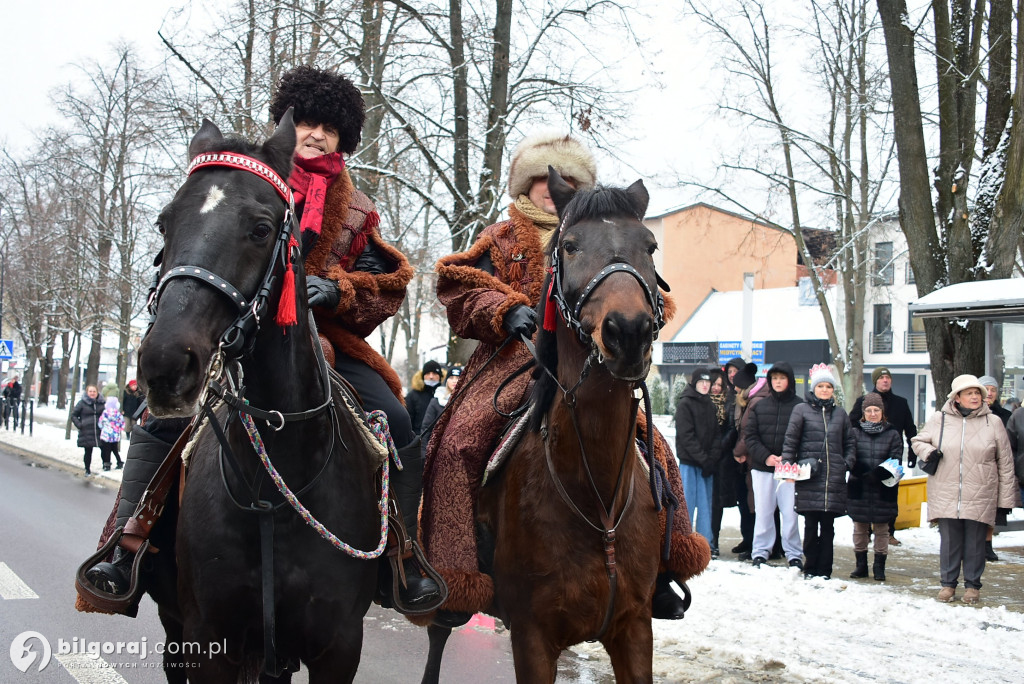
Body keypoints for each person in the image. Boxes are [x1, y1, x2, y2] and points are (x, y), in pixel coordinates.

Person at [83, 65, 439, 611]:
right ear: (285, 126)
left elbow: (386, 287)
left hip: (327, 345)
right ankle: (127, 542)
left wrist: (337, 290)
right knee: (162, 419)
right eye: (307, 122)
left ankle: (403, 558)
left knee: (393, 419)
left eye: (329, 128)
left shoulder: (361, 211)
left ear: (343, 137)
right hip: (238, 336)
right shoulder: (237, 181)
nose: (316, 134)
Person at [420, 131, 708, 625]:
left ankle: (662, 565)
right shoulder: (501, 237)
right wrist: (504, 310)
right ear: (527, 185)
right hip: (513, 358)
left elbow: (646, 292)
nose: (554, 189)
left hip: (590, 363)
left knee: (654, 445)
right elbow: (458, 285)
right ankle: (453, 573)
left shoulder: (608, 234)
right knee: (458, 443)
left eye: (569, 180)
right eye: (544, 180)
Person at [911, 374, 1017, 604]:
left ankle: (972, 586)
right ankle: (948, 585)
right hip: (946, 490)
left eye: (978, 393)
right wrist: (929, 452)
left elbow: (1006, 462)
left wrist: (1006, 500)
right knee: (949, 541)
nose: (975, 397)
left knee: (976, 542)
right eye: (969, 393)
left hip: (981, 491)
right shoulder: (940, 419)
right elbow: (917, 441)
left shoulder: (994, 422)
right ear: (957, 397)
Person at [782, 363, 855, 580]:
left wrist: (846, 463)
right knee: (811, 524)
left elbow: (850, 442)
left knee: (828, 526)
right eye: (821, 386)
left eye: (828, 386)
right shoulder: (801, 410)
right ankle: (810, 566)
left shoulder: (840, 414)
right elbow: (791, 440)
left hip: (833, 479)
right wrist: (789, 466)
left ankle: (826, 569)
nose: (824, 390)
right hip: (809, 477)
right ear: (814, 388)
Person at [743, 362, 804, 569]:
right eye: (774, 378)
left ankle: (794, 553)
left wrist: (789, 458)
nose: (778, 382)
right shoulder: (759, 406)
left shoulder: (800, 406)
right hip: (763, 469)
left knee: (790, 514)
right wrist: (767, 457)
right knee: (763, 512)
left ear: (790, 380)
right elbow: (750, 437)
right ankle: (760, 552)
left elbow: (805, 438)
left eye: (782, 378)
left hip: (789, 471)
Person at [850, 367, 917, 547]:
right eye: (881, 378)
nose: (885, 380)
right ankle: (866, 532)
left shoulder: (901, 403)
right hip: (863, 458)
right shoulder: (862, 401)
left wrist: (912, 452)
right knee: (863, 497)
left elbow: (910, 429)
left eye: (888, 377)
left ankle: (889, 532)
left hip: (890, 456)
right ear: (875, 381)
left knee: (888, 496)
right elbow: (850, 428)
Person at [846, 392, 903, 580]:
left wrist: (877, 474)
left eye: (876, 410)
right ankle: (860, 565)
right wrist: (861, 471)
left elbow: (895, 458)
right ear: (863, 413)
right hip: (859, 486)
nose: (872, 413)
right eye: (869, 410)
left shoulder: (893, 433)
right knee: (860, 528)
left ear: (882, 412)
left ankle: (879, 567)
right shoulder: (854, 432)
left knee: (882, 529)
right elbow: (850, 455)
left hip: (883, 486)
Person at [675, 368, 720, 549]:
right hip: (690, 464)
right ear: (694, 383)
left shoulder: (710, 405)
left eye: (708, 382)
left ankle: (704, 543)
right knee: (686, 506)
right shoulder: (685, 404)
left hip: (706, 466)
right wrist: (703, 458)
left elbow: (717, 435)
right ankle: (683, 543)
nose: (705, 385)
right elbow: (686, 436)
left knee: (705, 507)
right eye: (702, 382)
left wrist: (712, 458)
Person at [721, 360, 758, 558]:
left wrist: (736, 449)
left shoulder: (751, 399)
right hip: (736, 460)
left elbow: (744, 430)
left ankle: (756, 542)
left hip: (748, 457)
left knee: (754, 503)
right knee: (744, 502)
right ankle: (748, 538)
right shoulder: (734, 397)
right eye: (730, 372)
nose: (732, 376)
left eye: (736, 372)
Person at [979, 375, 1012, 561]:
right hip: (975, 468)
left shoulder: (1006, 416)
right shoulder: (969, 415)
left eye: (993, 390)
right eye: (986, 390)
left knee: (992, 510)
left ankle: (987, 544)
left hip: (997, 469)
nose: (990, 393)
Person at [420, 366, 460, 458]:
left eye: (458, 378)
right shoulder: (436, 400)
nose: (454, 381)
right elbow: (426, 428)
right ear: (446, 381)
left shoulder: (468, 401)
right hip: (437, 450)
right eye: (451, 378)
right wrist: (424, 453)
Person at [71, 386, 105, 476]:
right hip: (86, 431)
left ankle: (105, 465)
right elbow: (73, 415)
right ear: (87, 392)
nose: (92, 393)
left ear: (97, 392)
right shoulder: (82, 403)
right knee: (88, 452)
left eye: (94, 391)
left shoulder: (102, 403)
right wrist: (79, 424)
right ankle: (87, 469)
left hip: (100, 431)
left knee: (105, 449)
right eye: (90, 391)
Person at [405, 360, 444, 435]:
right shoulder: (413, 395)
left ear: (440, 376)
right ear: (422, 376)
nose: (431, 377)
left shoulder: (445, 394)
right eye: (428, 373)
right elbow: (407, 421)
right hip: (419, 438)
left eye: (434, 373)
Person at [97, 396, 125, 471]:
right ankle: (119, 462)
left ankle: (107, 465)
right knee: (115, 450)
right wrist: (117, 428)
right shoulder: (118, 414)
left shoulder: (105, 413)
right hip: (115, 435)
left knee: (106, 450)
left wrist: (103, 427)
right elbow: (122, 424)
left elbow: (100, 423)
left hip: (106, 435)